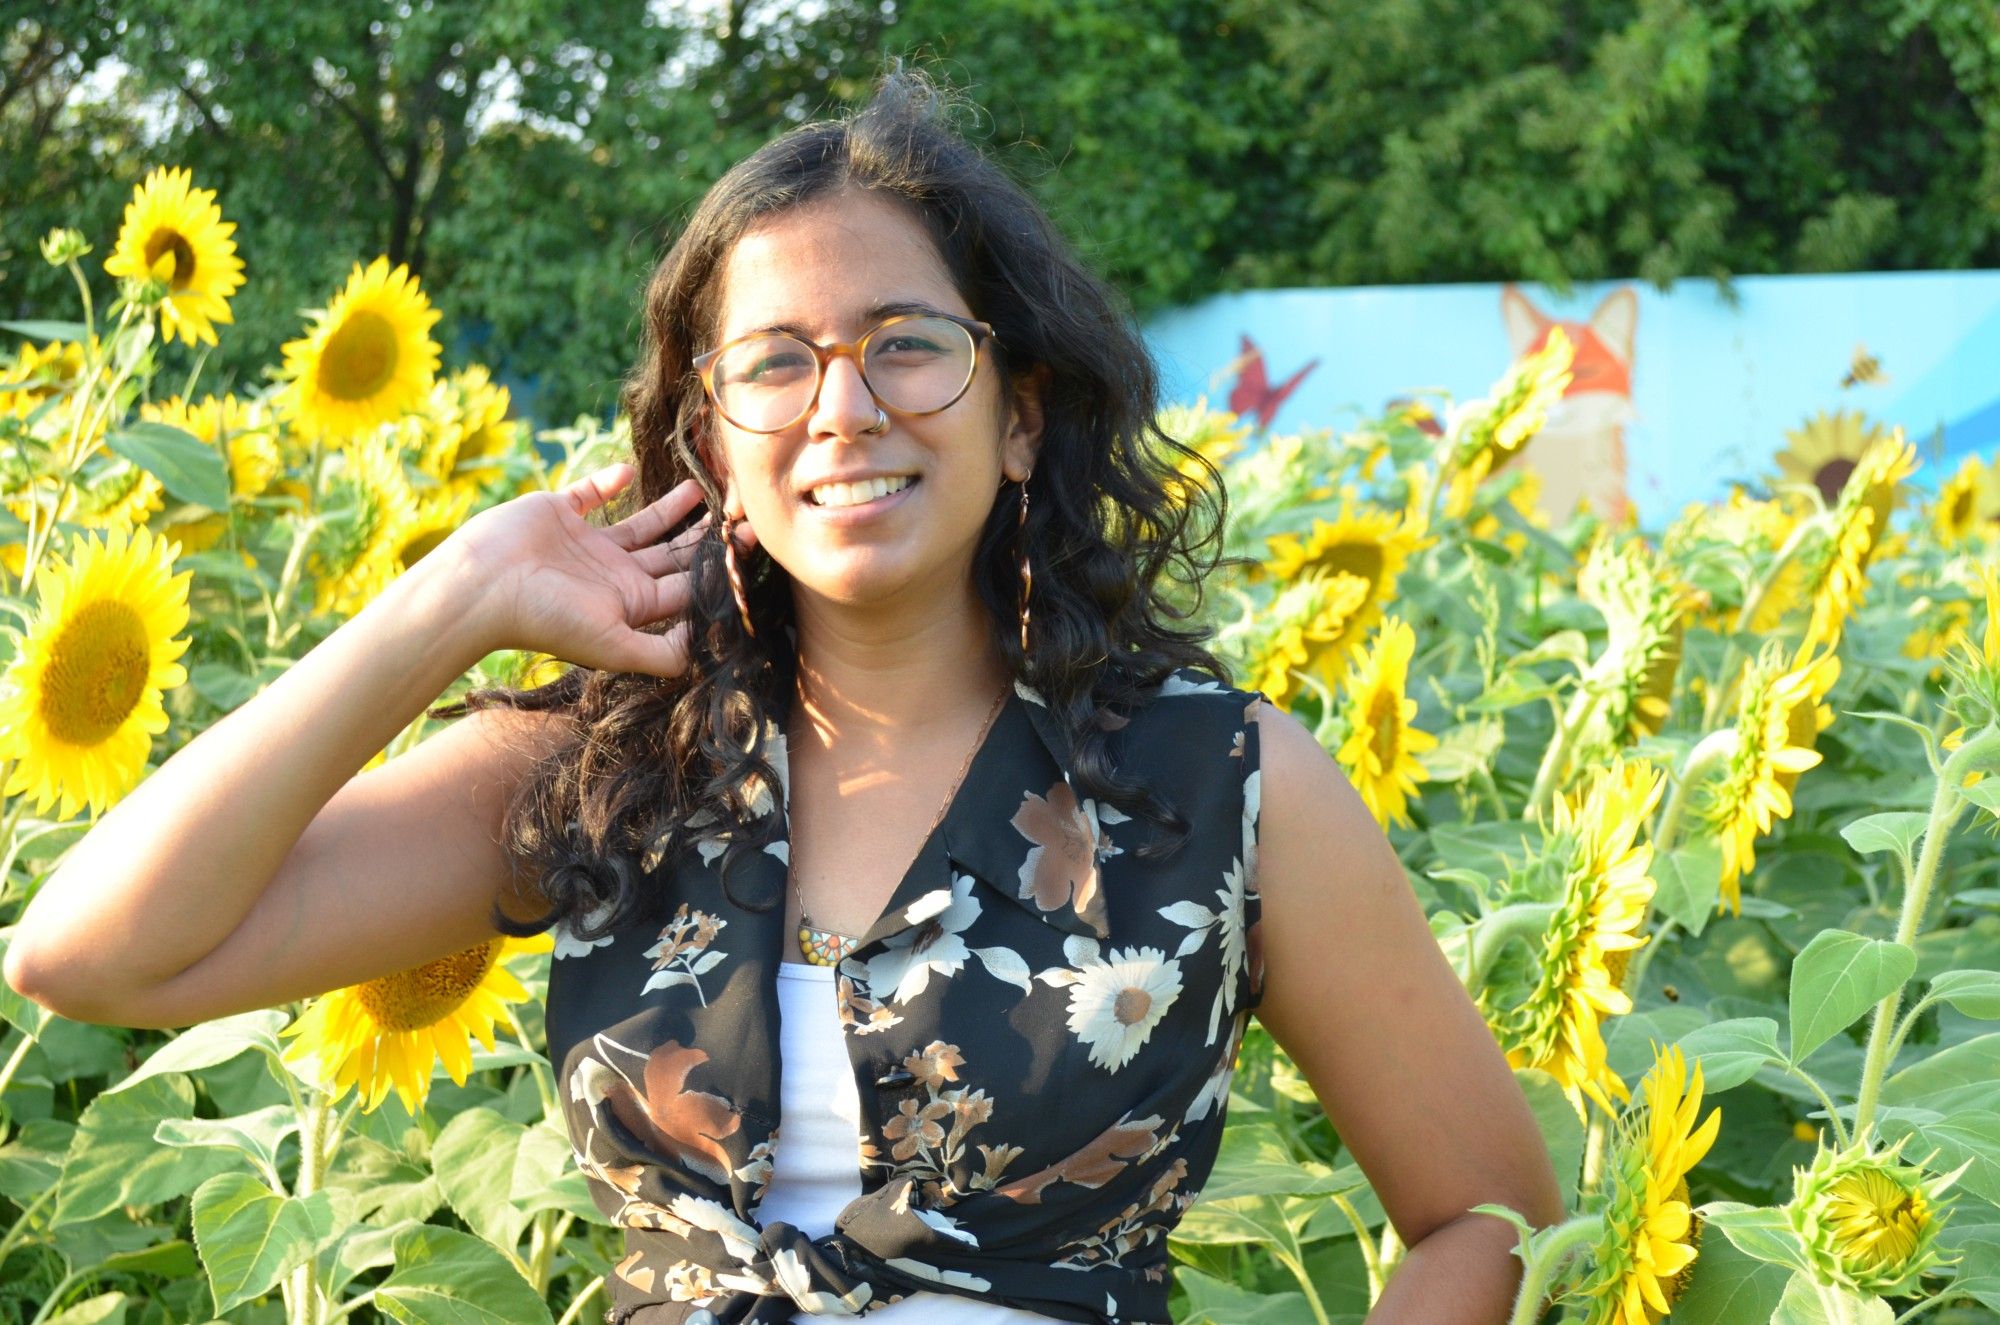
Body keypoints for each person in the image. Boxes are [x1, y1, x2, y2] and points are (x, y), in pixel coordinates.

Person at [4, 66, 1561, 1325]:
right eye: (775, 364)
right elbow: (93, 952)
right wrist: (453, 602)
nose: (846, 407)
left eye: (908, 346)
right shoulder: (604, 768)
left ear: (1021, 416)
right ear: (711, 444)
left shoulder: (1219, 788)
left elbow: (1491, 1217)